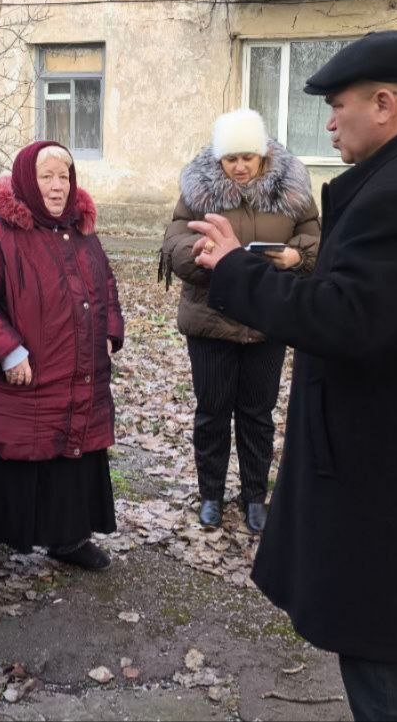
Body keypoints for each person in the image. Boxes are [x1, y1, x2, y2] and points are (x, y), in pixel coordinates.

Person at [189, 31, 397, 722]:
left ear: (383, 103)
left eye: (338, 105)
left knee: (393, 668)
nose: (329, 121)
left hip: (390, 491)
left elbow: (345, 318)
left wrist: (237, 268)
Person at [0, 141, 125, 616]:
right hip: (14, 388)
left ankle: (66, 538)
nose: (58, 186)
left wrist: (110, 331)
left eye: (65, 176)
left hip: (75, 379)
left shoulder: (82, 234)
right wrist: (6, 349)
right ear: (25, 179)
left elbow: (105, 287)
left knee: (71, 462)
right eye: (46, 177)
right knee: (3, 474)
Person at [161, 108, 320, 533]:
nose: (240, 166)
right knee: (212, 412)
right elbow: (174, 243)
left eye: (248, 157)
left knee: (258, 413)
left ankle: (254, 497)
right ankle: (210, 494)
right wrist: (200, 255)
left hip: (267, 319)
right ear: (218, 160)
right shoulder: (197, 189)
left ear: (264, 155)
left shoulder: (292, 188)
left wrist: (295, 256)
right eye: (231, 159)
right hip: (211, 318)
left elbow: (317, 238)